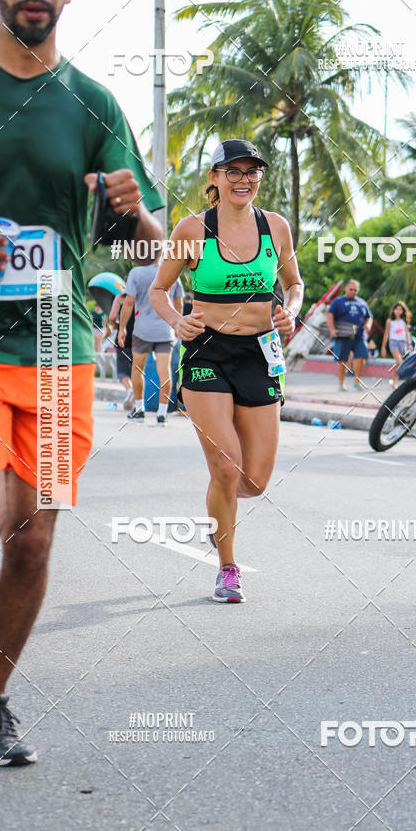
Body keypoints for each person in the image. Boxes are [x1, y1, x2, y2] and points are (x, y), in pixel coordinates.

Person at [0, 0, 163, 766]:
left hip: (58, 347)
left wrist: (132, 210)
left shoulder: (93, 105)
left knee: (35, 540)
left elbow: (156, 245)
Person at [149, 139, 304, 603]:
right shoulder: (192, 229)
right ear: (214, 178)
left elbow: (294, 285)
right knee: (225, 466)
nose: (243, 179)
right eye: (232, 172)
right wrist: (178, 321)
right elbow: (160, 289)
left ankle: (220, 511)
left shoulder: (275, 226)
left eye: (251, 171)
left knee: (252, 481)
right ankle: (228, 568)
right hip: (207, 353)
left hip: (260, 354)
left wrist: (290, 311)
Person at [118, 260, 183, 424]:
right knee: (165, 371)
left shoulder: (136, 273)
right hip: (165, 330)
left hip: (142, 330)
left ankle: (139, 410)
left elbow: (128, 302)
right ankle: (162, 414)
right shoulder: (172, 270)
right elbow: (179, 302)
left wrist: (122, 328)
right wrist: (176, 324)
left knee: (137, 368)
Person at [326, 279, 373, 391]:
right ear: (346, 288)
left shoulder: (362, 302)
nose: (353, 291)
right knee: (342, 360)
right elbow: (330, 315)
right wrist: (332, 329)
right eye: (351, 289)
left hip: (359, 334)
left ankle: (357, 382)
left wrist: (368, 325)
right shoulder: (338, 301)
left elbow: (369, 317)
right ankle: (341, 384)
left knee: (361, 357)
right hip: (343, 334)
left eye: (355, 290)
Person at [109, 291, 135, 410]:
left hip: (123, 337)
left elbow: (112, 317)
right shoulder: (140, 296)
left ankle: (129, 390)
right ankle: (135, 394)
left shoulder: (119, 298)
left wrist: (117, 325)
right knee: (136, 370)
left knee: (122, 371)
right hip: (138, 337)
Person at [381, 301, 413, 388]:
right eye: (396, 309)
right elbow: (386, 334)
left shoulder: (404, 321)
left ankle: (395, 381)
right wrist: (383, 347)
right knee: (398, 361)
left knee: (401, 363)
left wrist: (409, 343)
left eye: (400, 309)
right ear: (393, 310)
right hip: (393, 342)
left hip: (403, 343)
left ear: (403, 311)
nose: (398, 311)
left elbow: (407, 333)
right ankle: (395, 383)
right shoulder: (390, 321)